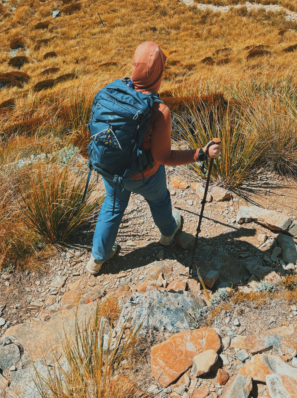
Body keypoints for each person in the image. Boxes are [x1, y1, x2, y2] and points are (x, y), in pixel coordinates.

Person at [86, 41, 221, 275]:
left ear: (133, 66)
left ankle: (97, 259)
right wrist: (201, 153)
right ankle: (169, 234)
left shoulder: (110, 90)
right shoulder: (160, 112)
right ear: (159, 73)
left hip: (111, 170)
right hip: (143, 175)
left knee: (113, 206)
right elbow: (163, 156)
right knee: (159, 199)